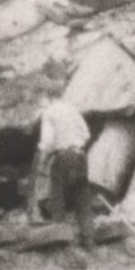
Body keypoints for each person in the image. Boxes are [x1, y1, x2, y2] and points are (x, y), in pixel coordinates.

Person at [37, 95, 95, 250]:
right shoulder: (72, 109)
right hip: (80, 156)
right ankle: (89, 243)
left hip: (63, 157)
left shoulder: (49, 112)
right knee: (82, 199)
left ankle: (60, 243)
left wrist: (42, 163)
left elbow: (47, 142)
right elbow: (86, 134)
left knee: (57, 198)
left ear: (47, 98)